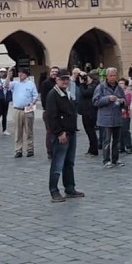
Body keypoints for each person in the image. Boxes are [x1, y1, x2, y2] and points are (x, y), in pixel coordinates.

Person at [43, 72, 84, 203]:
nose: (65, 81)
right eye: (62, 79)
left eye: (67, 79)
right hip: (61, 134)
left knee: (69, 163)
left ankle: (70, 188)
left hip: (71, 132)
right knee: (57, 164)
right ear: (57, 80)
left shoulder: (66, 92)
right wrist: (60, 132)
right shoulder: (53, 94)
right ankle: (54, 191)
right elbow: (51, 116)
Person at [94, 68, 125, 168]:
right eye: (111, 76)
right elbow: (95, 101)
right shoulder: (101, 87)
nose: (113, 77)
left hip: (117, 117)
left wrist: (122, 101)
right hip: (105, 119)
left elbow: (124, 100)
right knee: (106, 141)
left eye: (114, 75)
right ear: (107, 76)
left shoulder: (119, 88)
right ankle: (106, 160)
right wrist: (107, 99)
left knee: (117, 141)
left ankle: (115, 159)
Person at [10, 69, 38, 158]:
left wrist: (33, 103)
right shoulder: (15, 84)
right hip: (17, 110)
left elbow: (35, 95)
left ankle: (30, 148)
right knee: (18, 131)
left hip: (28, 109)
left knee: (29, 130)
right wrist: (8, 75)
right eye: (19, 73)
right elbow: (6, 86)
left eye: (22, 73)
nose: (20, 74)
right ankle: (18, 150)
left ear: (26, 75)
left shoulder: (30, 84)